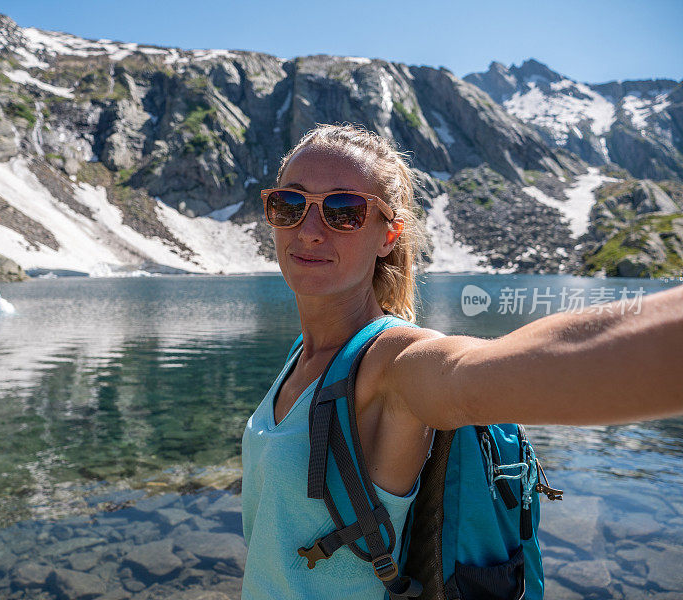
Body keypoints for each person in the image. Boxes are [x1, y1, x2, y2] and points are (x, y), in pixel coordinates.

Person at [240, 123, 683, 599]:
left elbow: (470, 371)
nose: (308, 231)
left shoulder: (390, 364)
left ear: (388, 235)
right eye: (289, 204)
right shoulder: (301, 356)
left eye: (343, 211)